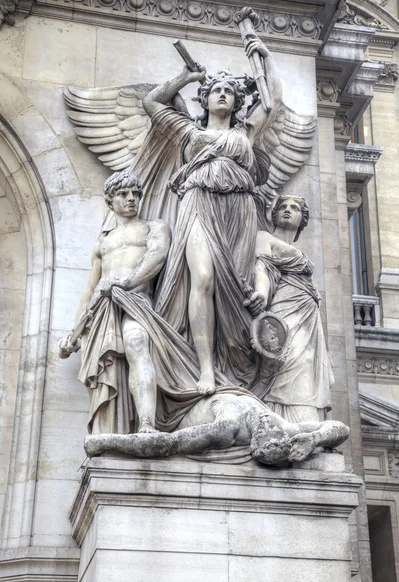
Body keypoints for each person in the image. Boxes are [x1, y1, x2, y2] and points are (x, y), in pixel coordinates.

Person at [141, 34, 283, 397]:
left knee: (235, 286)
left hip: (239, 210)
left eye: (229, 91)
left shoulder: (245, 132)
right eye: (215, 89)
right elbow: (151, 101)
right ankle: (204, 369)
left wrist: (265, 57)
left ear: (236, 102)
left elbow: (272, 102)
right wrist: (187, 78)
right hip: (198, 204)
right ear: (204, 99)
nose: (222, 93)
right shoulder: (187, 130)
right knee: (201, 277)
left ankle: (229, 366)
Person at [59, 171, 171, 434]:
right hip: (101, 309)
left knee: (136, 343)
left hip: (136, 300)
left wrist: (126, 283)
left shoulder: (153, 227)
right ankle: (107, 430)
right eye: (123, 194)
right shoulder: (102, 242)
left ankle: (146, 424)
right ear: (110, 201)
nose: (131, 199)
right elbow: (89, 290)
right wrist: (74, 333)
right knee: (103, 368)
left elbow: (157, 257)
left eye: (135, 194)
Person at [245, 194, 334, 422]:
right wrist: (262, 294)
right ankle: (281, 420)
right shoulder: (264, 237)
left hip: (308, 317)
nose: (287, 210)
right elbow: (261, 266)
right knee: (286, 360)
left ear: (302, 218)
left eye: (294, 208)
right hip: (285, 309)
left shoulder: (298, 250)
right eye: (282, 207)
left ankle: (304, 419)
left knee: (306, 362)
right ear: (273, 215)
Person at [84, 391, 349, 466]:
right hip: (219, 384)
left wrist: (104, 441)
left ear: (254, 443)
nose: (271, 430)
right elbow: (340, 428)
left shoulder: (227, 427)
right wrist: (314, 439)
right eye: (277, 439)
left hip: (185, 399)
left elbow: (167, 444)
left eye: (268, 441)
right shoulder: (286, 427)